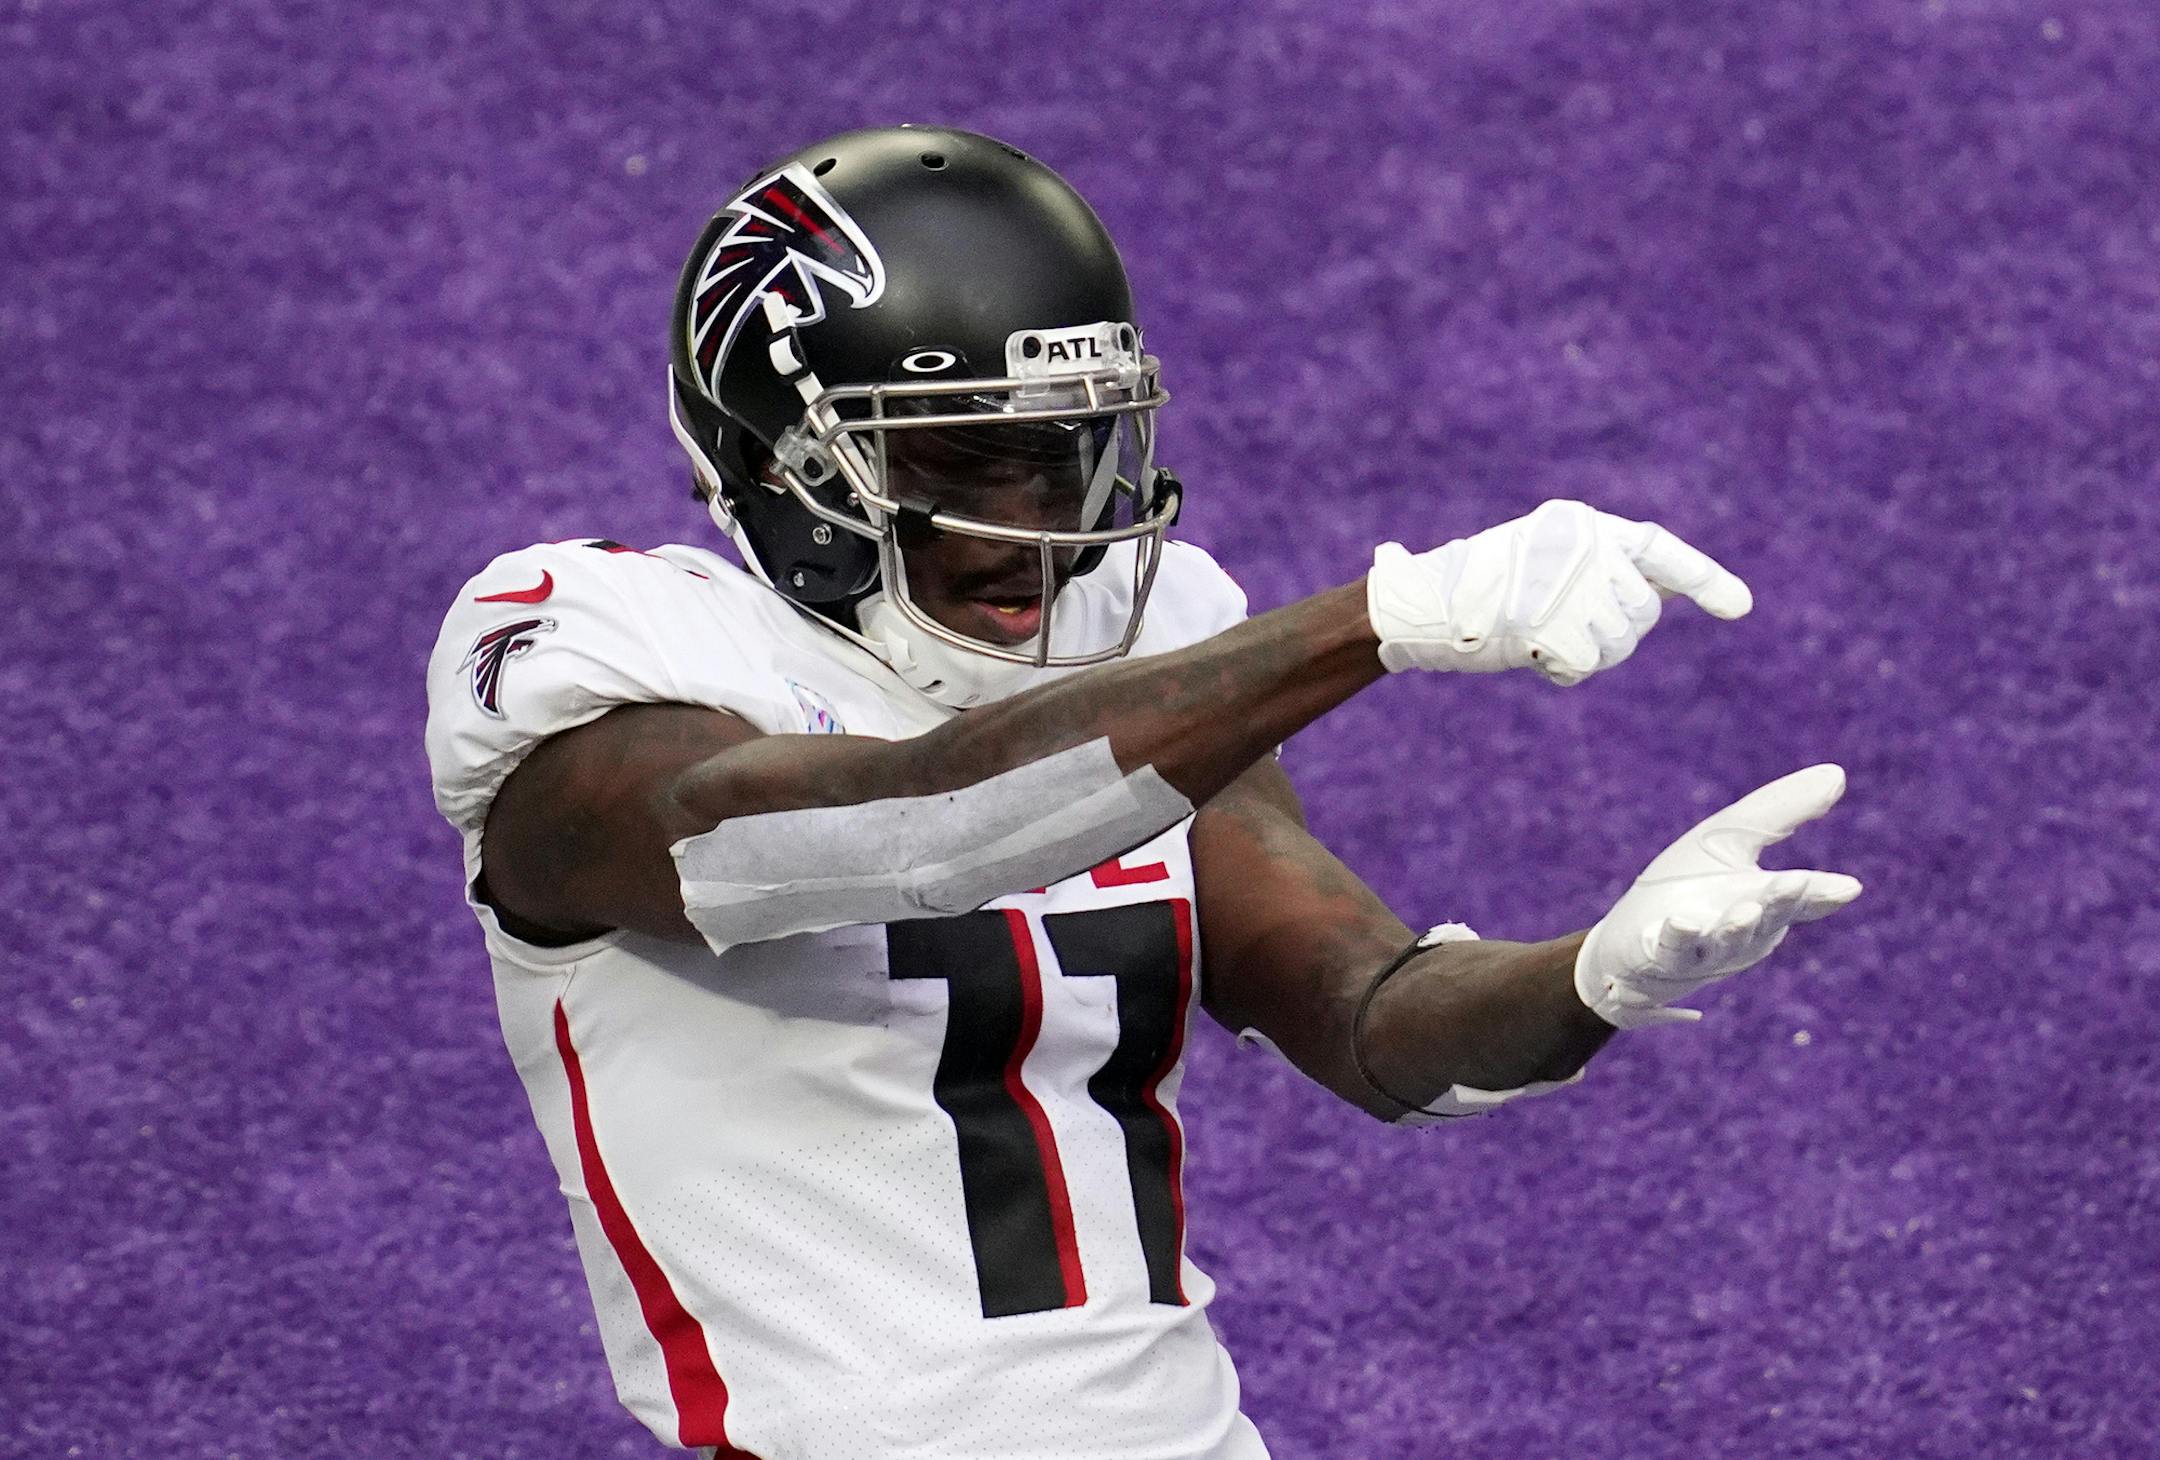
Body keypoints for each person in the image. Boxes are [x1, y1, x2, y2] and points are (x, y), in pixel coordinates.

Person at [423, 125, 1861, 1459]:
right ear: (785, 467)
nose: (1033, 528)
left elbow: (1375, 1031)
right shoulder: (603, 651)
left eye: (1063, 455)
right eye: (961, 460)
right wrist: (1370, 623)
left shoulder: (1156, 634)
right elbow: (906, 830)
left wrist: (1587, 980)